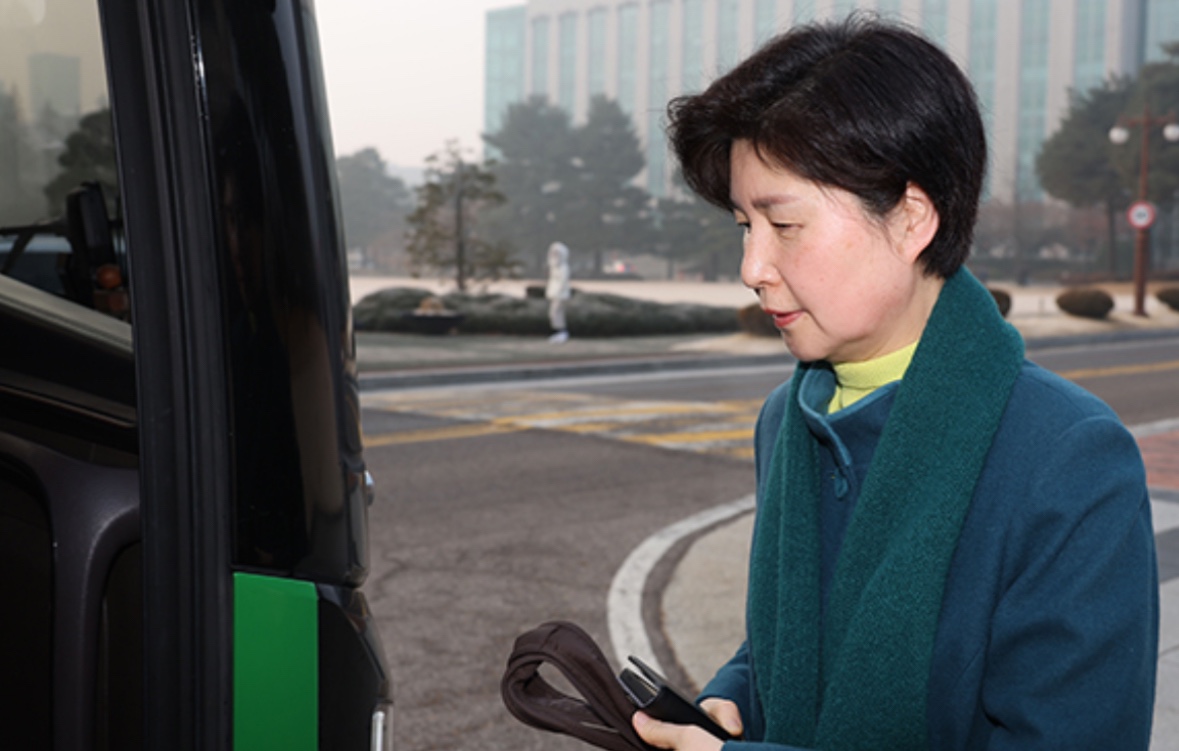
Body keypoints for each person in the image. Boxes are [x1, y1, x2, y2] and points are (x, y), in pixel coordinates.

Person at [632, 14, 1158, 751]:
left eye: (784, 226)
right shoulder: (787, 418)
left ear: (911, 219)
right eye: (744, 226)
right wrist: (732, 697)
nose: (752, 268)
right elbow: (793, 642)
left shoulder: (1068, 459)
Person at [546, 241, 571, 343]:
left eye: (556, 253)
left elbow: (562, 282)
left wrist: (557, 292)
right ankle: (558, 332)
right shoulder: (554, 267)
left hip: (560, 295)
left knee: (556, 313)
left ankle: (561, 332)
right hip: (555, 294)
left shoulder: (563, 267)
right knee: (554, 314)